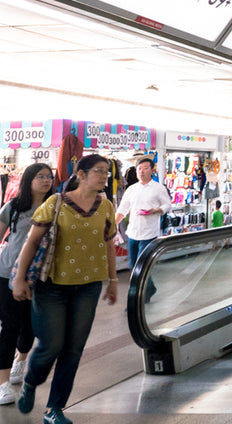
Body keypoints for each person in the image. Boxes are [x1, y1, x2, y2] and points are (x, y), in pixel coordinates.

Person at [13, 154, 118, 424]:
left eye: (107, 171)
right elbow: (31, 242)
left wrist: (113, 281)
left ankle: (54, 409)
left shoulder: (105, 206)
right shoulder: (55, 202)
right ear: (81, 174)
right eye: (99, 171)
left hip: (88, 287)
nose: (105, 176)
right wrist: (19, 279)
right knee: (51, 345)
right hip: (52, 287)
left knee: (73, 349)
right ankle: (31, 382)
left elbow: (108, 244)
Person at [0, 163, 54, 405]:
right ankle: (2, 384)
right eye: (40, 176)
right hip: (6, 273)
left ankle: (20, 361)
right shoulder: (14, 207)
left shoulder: (56, 208)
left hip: (40, 277)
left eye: (49, 176)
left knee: (30, 327)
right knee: (9, 327)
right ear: (29, 179)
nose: (46, 180)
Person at [114, 158, 170, 303]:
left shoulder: (158, 188)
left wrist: (156, 210)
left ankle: (139, 298)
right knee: (133, 265)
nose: (142, 171)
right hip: (133, 232)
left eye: (145, 168)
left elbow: (167, 205)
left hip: (149, 233)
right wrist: (112, 226)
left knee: (141, 265)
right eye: (139, 168)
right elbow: (123, 209)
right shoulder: (131, 189)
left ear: (152, 170)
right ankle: (149, 288)